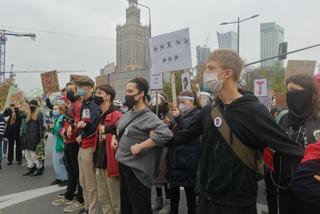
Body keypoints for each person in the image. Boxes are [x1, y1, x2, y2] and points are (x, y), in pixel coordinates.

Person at [172, 49, 304, 214]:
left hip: (238, 205)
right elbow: (182, 136)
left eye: (211, 68)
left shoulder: (253, 111)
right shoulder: (208, 111)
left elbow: (289, 147)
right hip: (206, 201)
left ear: (227, 73)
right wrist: (154, 137)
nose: (205, 73)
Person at [113, 77, 173, 214]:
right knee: (126, 206)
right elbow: (120, 130)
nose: (127, 94)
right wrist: (115, 139)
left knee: (139, 208)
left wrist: (141, 146)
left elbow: (166, 134)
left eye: (130, 91)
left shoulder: (149, 117)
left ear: (141, 94)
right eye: (126, 91)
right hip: (124, 165)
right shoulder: (127, 114)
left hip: (137, 171)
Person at [268, 74, 320, 214]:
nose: (289, 94)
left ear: (309, 94)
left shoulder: (317, 121)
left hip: (310, 188)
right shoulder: (282, 118)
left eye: (294, 89)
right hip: (284, 184)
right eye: (288, 90)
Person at [54, 82, 84, 213]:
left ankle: (80, 199)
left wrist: (69, 132)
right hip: (67, 141)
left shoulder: (78, 105)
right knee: (70, 170)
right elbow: (63, 123)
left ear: (78, 91)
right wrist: (63, 131)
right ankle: (69, 194)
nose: (69, 92)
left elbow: (78, 124)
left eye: (72, 90)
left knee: (78, 172)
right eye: (68, 90)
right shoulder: (70, 105)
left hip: (74, 143)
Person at [94, 84, 122, 214]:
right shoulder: (101, 115)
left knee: (116, 202)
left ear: (108, 97)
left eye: (99, 93)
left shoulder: (116, 114)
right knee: (104, 200)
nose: (96, 95)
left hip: (111, 163)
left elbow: (120, 134)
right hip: (100, 162)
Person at [76, 77, 100, 214]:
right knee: (83, 181)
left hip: (89, 145)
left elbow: (93, 123)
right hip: (82, 145)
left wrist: (84, 131)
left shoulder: (94, 103)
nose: (79, 89)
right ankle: (86, 207)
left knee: (90, 184)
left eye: (81, 87)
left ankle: (93, 210)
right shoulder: (84, 102)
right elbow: (82, 122)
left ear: (90, 87)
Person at [149, 93, 174, 214]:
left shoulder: (169, 114)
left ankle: (169, 201)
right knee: (156, 174)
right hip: (154, 146)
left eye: (157, 101)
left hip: (166, 147)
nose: (155, 104)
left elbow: (174, 127)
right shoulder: (152, 114)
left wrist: (169, 124)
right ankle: (159, 198)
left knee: (165, 173)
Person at [23, 99, 44, 176]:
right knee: (27, 153)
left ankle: (39, 168)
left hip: (35, 136)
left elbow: (40, 126)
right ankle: (31, 167)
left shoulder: (39, 113)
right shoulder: (28, 113)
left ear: (35, 105)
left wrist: (41, 137)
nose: (31, 106)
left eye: (32, 105)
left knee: (34, 153)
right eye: (30, 104)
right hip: (27, 136)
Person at [50, 103, 68, 186]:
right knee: (55, 161)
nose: (54, 111)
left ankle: (64, 178)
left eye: (56, 109)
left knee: (60, 161)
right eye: (53, 109)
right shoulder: (56, 118)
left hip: (60, 142)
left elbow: (59, 130)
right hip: (56, 141)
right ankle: (59, 177)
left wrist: (54, 128)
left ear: (61, 110)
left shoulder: (62, 117)